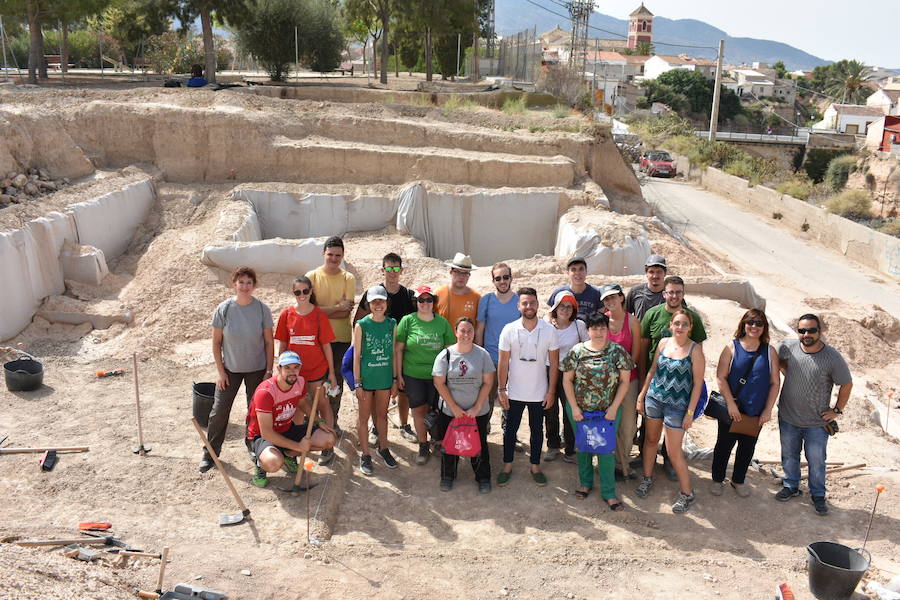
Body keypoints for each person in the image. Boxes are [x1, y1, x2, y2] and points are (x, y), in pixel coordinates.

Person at [775, 314, 852, 516]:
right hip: (788, 417)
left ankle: (818, 494)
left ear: (820, 331)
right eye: (802, 330)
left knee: (817, 460)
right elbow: (776, 359)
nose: (806, 334)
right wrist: (787, 372)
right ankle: (791, 485)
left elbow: (846, 384)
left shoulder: (832, 357)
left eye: (811, 330)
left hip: (816, 423)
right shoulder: (788, 347)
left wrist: (836, 410)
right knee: (789, 455)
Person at [200, 266, 274, 473]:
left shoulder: (261, 309)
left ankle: (254, 447)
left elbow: (269, 342)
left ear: (254, 285)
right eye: (241, 282)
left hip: (257, 369)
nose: (245, 286)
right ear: (234, 284)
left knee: (255, 412)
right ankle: (210, 453)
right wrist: (221, 372)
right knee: (219, 411)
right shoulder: (223, 309)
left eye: (249, 282)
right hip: (230, 370)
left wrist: (269, 371)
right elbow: (216, 343)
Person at [561, 312, 634, 510]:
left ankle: (609, 493)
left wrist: (613, 407)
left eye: (602, 328)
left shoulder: (617, 352)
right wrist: (575, 408)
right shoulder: (576, 351)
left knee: (605, 451)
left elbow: (625, 382)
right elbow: (567, 380)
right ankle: (585, 483)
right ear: (588, 330)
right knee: (583, 448)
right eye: (594, 328)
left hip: (608, 412)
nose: (599, 332)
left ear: (607, 329)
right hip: (579, 411)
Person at [635, 309, 705, 514]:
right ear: (671, 325)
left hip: (677, 406)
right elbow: (653, 369)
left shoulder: (695, 350)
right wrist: (642, 395)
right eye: (677, 323)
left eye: (684, 324)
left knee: (674, 452)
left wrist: (690, 413)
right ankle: (647, 478)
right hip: (654, 400)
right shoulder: (663, 343)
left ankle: (687, 493)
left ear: (690, 327)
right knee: (649, 441)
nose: (680, 327)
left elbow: (698, 383)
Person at [639, 275, 707, 480]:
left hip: (679, 391)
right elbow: (644, 349)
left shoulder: (692, 318)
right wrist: (644, 385)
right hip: (656, 385)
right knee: (649, 433)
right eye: (671, 292)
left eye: (678, 292)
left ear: (683, 293)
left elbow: (698, 358)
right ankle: (646, 466)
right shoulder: (652, 314)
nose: (674, 295)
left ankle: (669, 463)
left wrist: (691, 410)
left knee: (673, 439)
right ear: (664, 293)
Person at [710, 309, 780, 498]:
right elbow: (721, 377)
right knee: (724, 446)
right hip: (733, 409)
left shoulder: (769, 351)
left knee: (747, 447)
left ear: (764, 327)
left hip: (756, 410)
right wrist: (730, 405)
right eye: (750, 322)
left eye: (759, 323)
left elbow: (775, 382)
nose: (754, 326)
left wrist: (768, 409)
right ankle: (717, 479)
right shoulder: (731, 348)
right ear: (743, 324)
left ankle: (738, 480)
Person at [497, 288, 560, 487]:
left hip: (539, 392)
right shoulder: (509, 329)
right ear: (518, 306)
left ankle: (535, 466)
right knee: (510, 430)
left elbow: (554, 363)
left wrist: (551, 391)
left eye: (532, 302)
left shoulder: (549, 330)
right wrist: (501, 389)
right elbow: (503, 362)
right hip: (514, 391)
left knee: (537, 431)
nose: (529, 307)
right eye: (524, 303)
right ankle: (507, 465)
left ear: (538, 303)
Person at [245, 351, 336, 487]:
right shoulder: (266, 392)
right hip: (261, 436)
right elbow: (267, 433)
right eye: (287, 367)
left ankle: (288, 455)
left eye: (296, 367)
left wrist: (319, 421)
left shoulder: (300, 382)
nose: (292, 372)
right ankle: (260, 465)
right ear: (279, 369)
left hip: (287, 429)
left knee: (329, 439)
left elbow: (303, 404)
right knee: (273, 462)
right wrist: (298, 446)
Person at [354, 253, 418, 444]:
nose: (392, 272)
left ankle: (404, 424)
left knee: (402, 388)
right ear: (382, 270)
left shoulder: (408, 295)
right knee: (375, 392)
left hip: (401, 351)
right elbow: (359, 320)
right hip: (376, 353)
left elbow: (414, 323)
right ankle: (375, 427)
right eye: (388, 268)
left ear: (401, 270)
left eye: (396, 268)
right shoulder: (373, 293)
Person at [306, 236, 356, 465]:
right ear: (323, 254)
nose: (334, 259)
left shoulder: (348, 278)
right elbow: (308, 309)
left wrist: (322, 310)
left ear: (342, 256)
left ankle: (332, 422)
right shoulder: (311, 277)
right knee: (316, 384)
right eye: (330, 255)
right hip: (315, 339)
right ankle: (316, 424)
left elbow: (346, 313)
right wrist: (335, 308)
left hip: (340, 339)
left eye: (338, 255)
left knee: (334, 385)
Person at [433, 318, 496, 493]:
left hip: (477, 411)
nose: (466, 334)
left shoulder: (482, 354)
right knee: (449, 443)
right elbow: (439, 383)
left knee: (480, 444)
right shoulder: (445, 355)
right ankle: (447, 475)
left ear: (474, 332)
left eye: (469, 330)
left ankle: (483, 477)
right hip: (451, 411)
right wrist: (453, 407)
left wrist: (476, 407)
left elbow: (488, 382)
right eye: (462, 330)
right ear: (456, 332)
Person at [396, 286, 456, 465]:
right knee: (419, 410)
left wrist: (449, 376)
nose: (425, 303)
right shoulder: (407, 321)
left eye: (429, 300)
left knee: (437, 410)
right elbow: (398, 350)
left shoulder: (442, 323)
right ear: (416, 302)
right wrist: (397, 375)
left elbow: (449, 350)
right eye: (421, 300)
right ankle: (423, 445)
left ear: (433, 302)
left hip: (437, 376)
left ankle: (437, 441)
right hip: (413, 374)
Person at [274, 276, 337, 425]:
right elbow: (283, 346)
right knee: (298, 406)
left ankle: (328, 442)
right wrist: (281, 370)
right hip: (294, 372)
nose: (302, 295)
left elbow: (326, 346)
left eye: (305, 291)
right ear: (293, 293)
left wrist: (332, 373)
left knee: (323, 404)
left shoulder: (319, 315)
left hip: (317, 371)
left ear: (311, 292)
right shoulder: (286, 314)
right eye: (297, 292)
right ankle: (300, 444)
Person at [352, 286, 399, 476]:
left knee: (382, 415)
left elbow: (394, 353)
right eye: (374, 301)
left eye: (381, 300)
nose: (378, 305)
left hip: (384, 378)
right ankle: (365, 454)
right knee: (363, 418)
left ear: (386, 302)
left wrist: (395, 379)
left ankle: (384, 447)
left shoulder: (392, 324)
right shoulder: (361, 325)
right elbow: (356, 356)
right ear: (369, 304)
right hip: (366, 379)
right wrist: (357, 382)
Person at [475, 262, 521, 445]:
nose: (502, 281)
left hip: (513, 360)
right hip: (490, 359)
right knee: (486, 399)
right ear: (493, 280)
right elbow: (479, 330)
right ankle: (483, 432)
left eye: (505, 277)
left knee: (510, 400)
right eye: (498, 278)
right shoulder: (486, 300)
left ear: (511, 278)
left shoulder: (519, 301)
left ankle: (510, 433)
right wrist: (479, 357)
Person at [600, 283, 642, 480]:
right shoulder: (602, 322)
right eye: (606, 299)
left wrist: (624, 374)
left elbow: (635, 354)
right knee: (607, 422)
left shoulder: (632, 321)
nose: (610, 302)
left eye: (613, 297)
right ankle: (609, 462)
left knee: (628, 424)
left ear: (622, 297)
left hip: (629, 380)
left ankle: (622, 461)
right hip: (606, 381)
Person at [544, 291, 587, 463]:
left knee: (570, 411)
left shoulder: (579, 326)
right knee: (550, 410)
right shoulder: (547, 326)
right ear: (555, 307)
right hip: (550, 370)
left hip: (571, 373)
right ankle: (553, 445)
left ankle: (570, 449)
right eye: (562, 305)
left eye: (570, 306)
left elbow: (586, 347)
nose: (566, 310)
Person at [547, 257, 602, 322]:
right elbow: (550, 314)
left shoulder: (596, 293)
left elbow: (601, 318)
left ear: (586, 271)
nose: (578, 273)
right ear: (568, 273)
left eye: (581, 269)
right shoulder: (559, 293)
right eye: (573, 269)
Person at [435, 252, 481, 326]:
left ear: (469, 275)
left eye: (465, 273)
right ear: (451, 272)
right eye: (458, 272)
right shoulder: (438, 293)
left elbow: (479, 325)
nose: (461, 276)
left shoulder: (476, 297)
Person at [625, 254, 667, 321]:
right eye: (651, 272)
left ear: (665, 273)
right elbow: (624, 316)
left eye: (659, 272)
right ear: (646, 273)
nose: (655, 276)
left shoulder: (672, 294)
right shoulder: (635, 292)